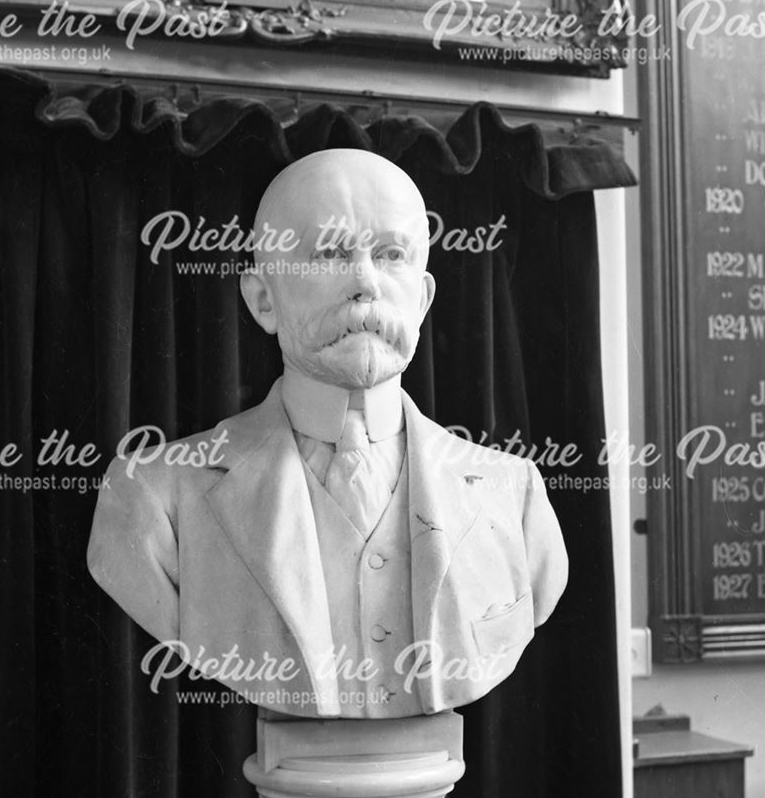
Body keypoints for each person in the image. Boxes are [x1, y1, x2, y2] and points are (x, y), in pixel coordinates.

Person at [87, 149, 567, 719]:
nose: (365, 282)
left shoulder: (512, 492)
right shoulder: (151, 494)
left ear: (423, 298)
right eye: (332, 252)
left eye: (391, 255)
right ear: (263, 299)